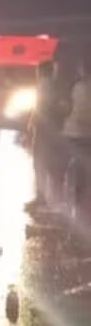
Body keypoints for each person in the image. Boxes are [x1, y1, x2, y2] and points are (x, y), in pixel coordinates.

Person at [28, 61, 68, 213]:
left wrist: (32, 125)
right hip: (49, 129)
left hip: (44, 130)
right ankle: (46, 198)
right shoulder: (53, 85)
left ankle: (43, 198)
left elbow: (41, 107)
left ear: (42, 72)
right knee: (47, 164)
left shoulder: (45, 85)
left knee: (41, 163)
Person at [61, 57, 91, 224]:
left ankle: (76, 200)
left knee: (75, 166)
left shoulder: (78, 87)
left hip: (76, 133)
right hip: (87, 134)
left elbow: (72, 107)